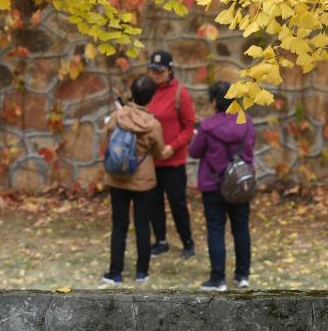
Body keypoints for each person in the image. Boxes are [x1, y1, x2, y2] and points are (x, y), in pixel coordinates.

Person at [188, 81, 256, 291]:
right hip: (240, 183)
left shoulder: (207, 126)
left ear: (214, 101)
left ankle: (217, 279)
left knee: (216, 229)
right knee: (241, 229)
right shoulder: (247, 122)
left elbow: (194, 152)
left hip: (213, 184)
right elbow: (250, 147)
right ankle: (242, 275)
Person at [102, 75, 166, 284]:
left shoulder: (117, 116)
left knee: (119, 225)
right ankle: (142, 272)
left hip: (118, 178)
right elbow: (159, 153)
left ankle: (115, 272)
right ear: (151, 98)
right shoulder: (153, 124)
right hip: (143, 181)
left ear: (132, 93)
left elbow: (107, 135)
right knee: (143, 226)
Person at [145, 49, 198, 258]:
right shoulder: (147, 91)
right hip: (151, 160)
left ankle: (187, 241)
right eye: (152, 70)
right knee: (153, 202)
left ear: (169, 70)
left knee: (177, 203)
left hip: (173, 161)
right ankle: (161, 241)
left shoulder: (180, 93)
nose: (156, 74)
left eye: (159, 71)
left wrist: (173, 147)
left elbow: (189, 127)